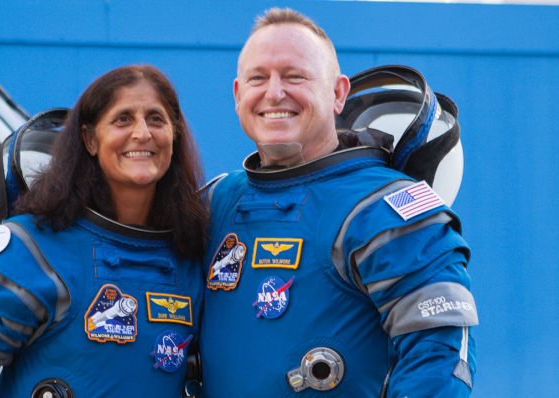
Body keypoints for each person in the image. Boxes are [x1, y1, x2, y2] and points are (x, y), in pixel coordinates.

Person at [199, 8, 478, 397]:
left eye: (294, 76)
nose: (274, 92)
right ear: (238, 94)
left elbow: (440, 356)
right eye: (257, 78)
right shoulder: (215, 201)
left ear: (337, 93)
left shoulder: (388, 206)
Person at [0, 65, 209, 397]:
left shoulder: (189, 257)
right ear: (90, 139)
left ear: (175, 136)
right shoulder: (30, 251)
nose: (142, 133)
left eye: (156, 119)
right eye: (123, 119)